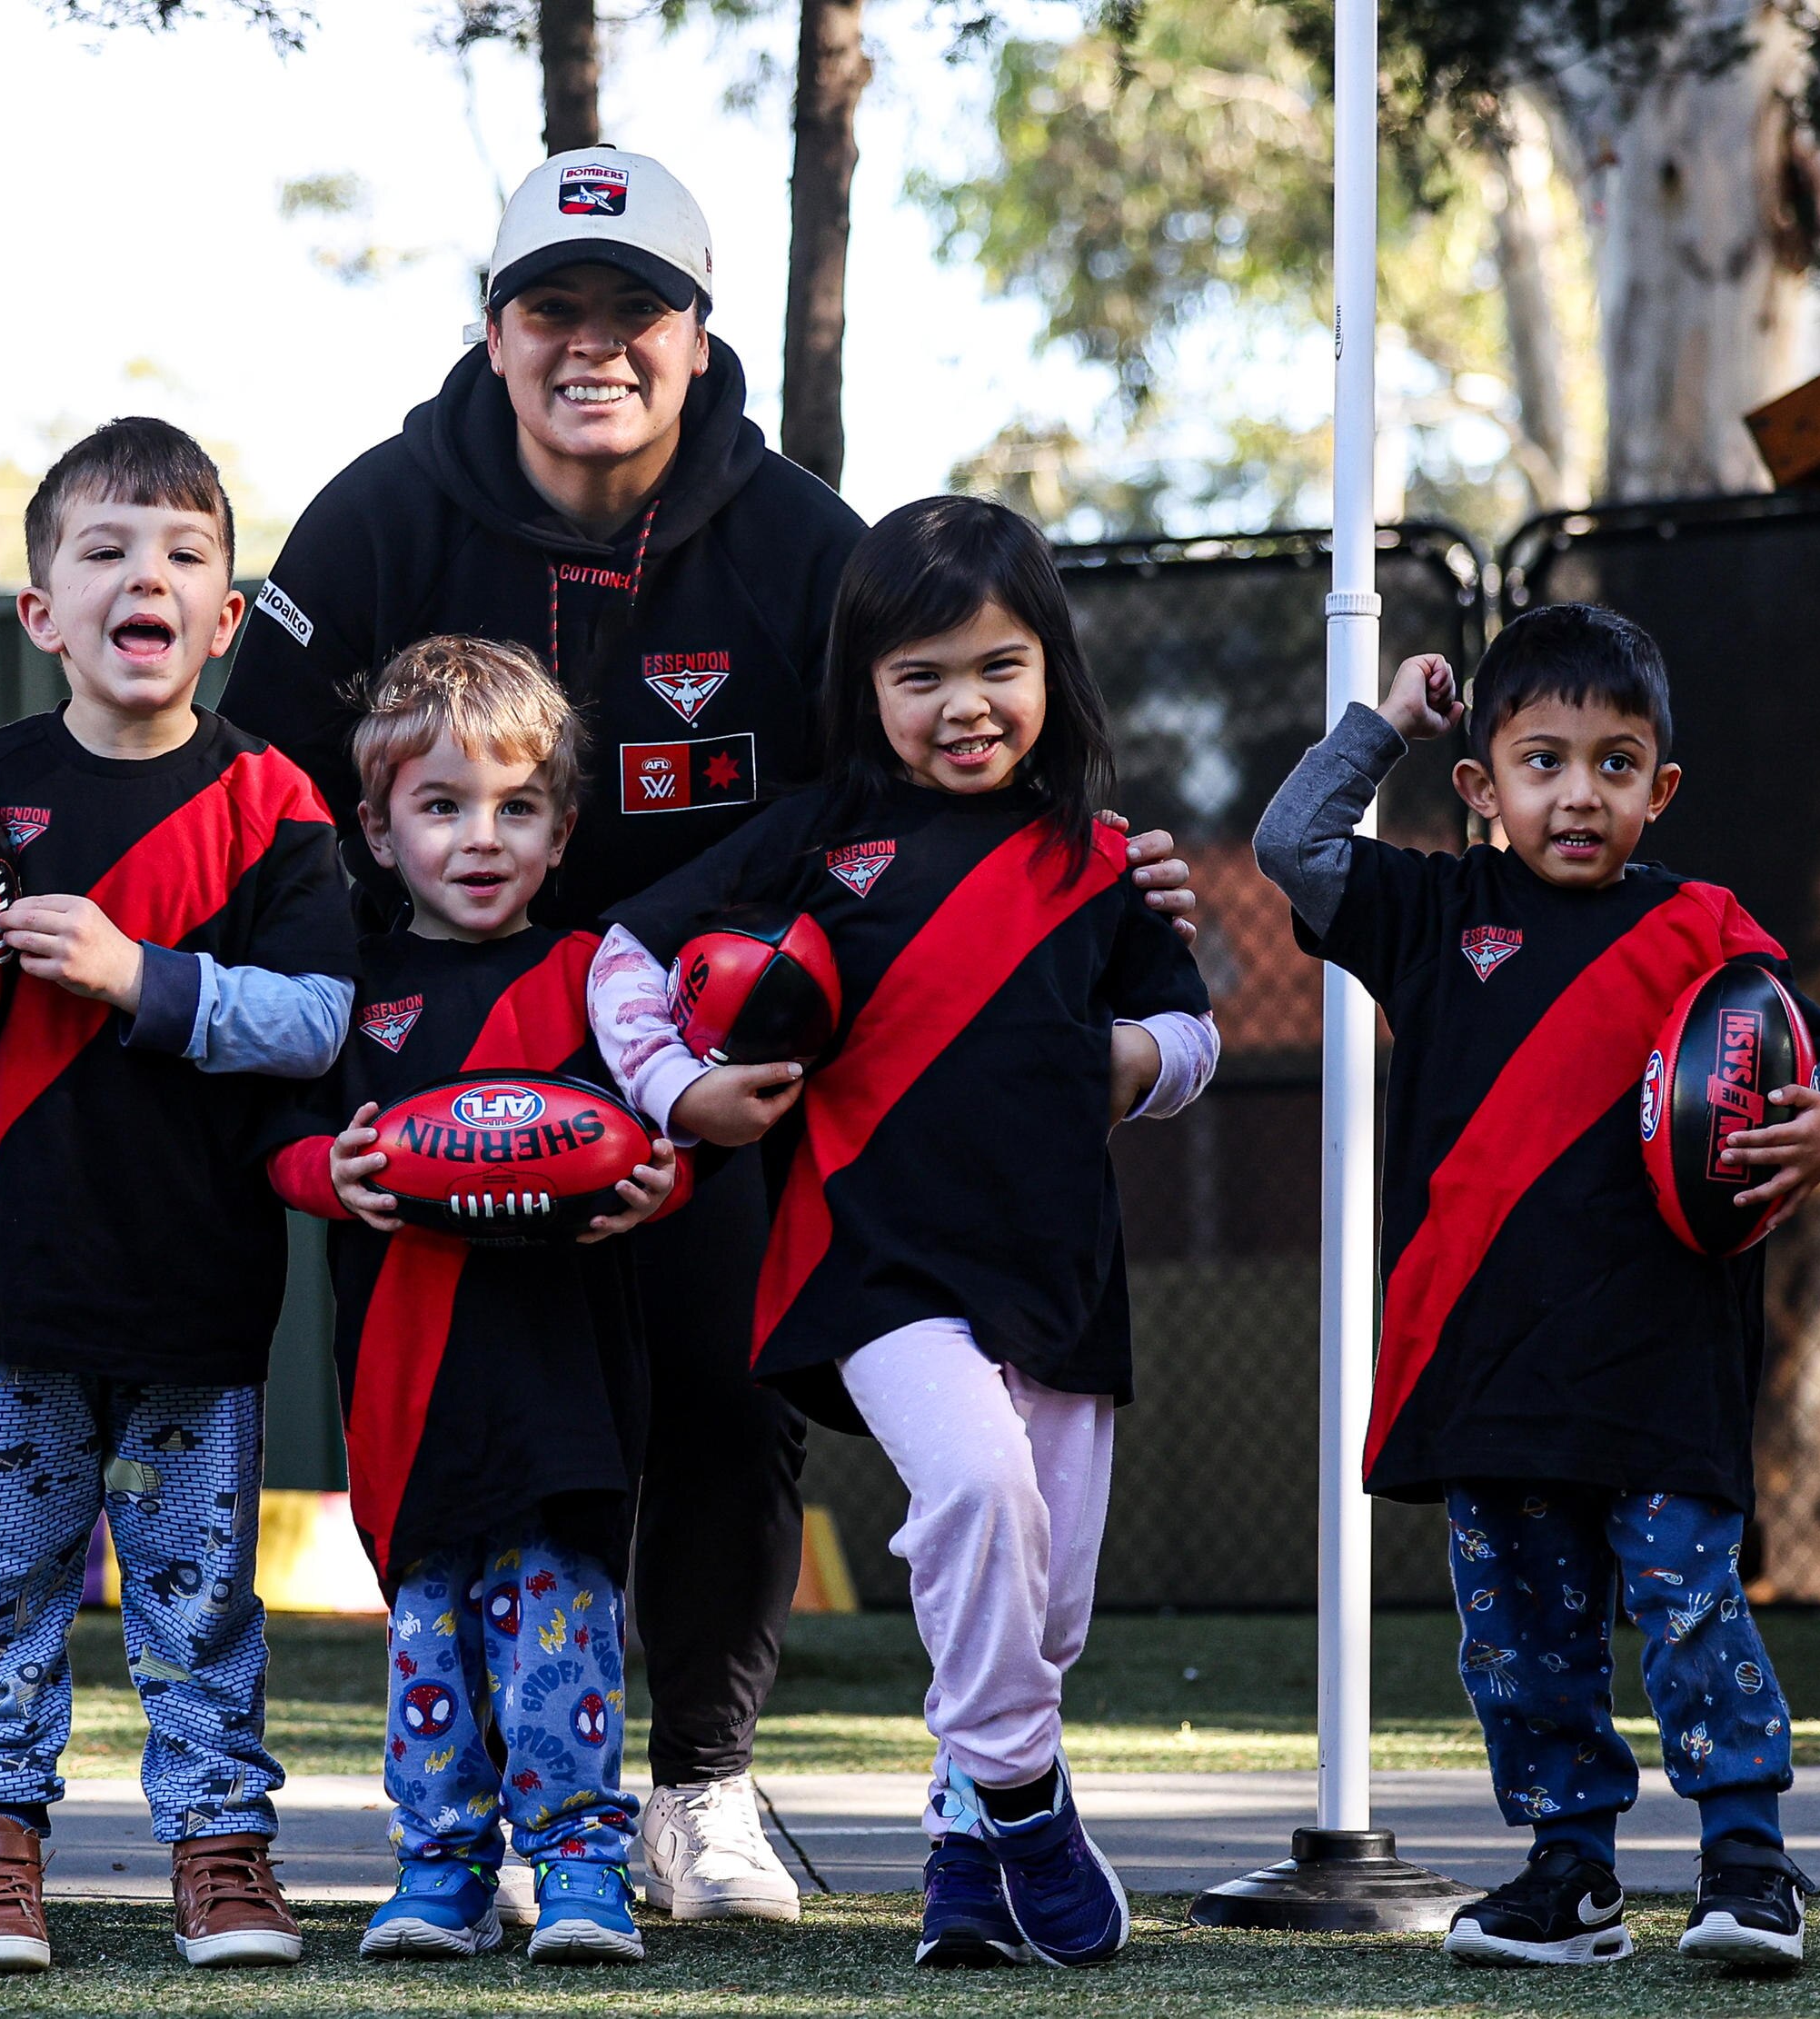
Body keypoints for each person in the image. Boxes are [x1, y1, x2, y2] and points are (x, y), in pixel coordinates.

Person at [224, 146, 1199, 1922]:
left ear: (694, 330)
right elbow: (268, 792)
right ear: (498, 331)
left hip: (729, 1061)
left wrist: (1091, 901)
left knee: (727, 1403)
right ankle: (482, 1824)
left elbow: (913, 786)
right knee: (456, 1437)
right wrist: (342, 1056)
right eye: (553, 311)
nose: (592, 346)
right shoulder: (376, 518)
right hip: (439, 1046)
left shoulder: (802, 541)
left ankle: (697, 1788)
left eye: (632, 311)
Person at [597, 496, 1217, 1971]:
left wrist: (1137, 1060)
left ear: (1052, 668)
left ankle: (964, 1855)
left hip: (1062, 1274)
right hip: (870, 1268)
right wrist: (682, 1090)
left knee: (1042, 1596)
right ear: (864, 688)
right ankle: (1024, 1792)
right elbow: (623, 952)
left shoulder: (1103, 857)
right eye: (920, 674)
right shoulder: (818, 837)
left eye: (998, 664)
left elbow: (1194, 1027)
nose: (964, 704)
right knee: (980, 1488)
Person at [0, 416, 354, 1974]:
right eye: (102, 551)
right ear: (41, 613)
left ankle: (222, 1855)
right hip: (11, 1282)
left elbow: (319, 1018)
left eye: (180, 553)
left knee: (198, 1603)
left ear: (227, 617)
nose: (140, 577)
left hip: (198, 1285)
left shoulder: (274, 801)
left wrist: (140, 976)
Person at [1256, 607, 1820, 1973]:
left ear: (1659, 789)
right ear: (1481, 788)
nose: (1578, 793)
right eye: (1541, 761)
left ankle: (1747, 1863)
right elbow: (1292, 849)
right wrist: (1383, 729)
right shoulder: (1434, 911)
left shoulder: (1707, 930)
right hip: (1491, 1374)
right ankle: (1571, 1872)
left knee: (1692, 1609)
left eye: (1615, 763)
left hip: (1664, 1370)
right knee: (1523, 1650)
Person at [263, 637, 690, 1964]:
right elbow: (284, 1138)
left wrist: (658, 1181)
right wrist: (329, 1174)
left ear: (563, 830)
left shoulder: (597, 979)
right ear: (379, 832)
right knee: (430, 1641)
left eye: (515, 807)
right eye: (440, 806)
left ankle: (578, 1864)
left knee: (562, 1633)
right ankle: (441, 1865)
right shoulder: (354, 989)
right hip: (409, 1389)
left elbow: (663, 1131)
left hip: (563, 1384)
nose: (480, 836)